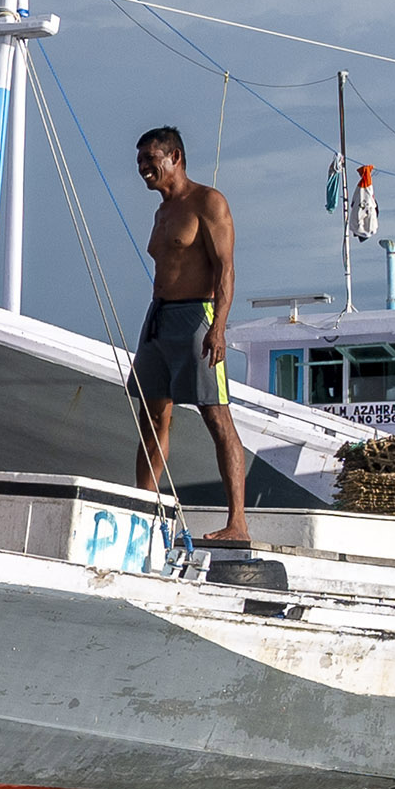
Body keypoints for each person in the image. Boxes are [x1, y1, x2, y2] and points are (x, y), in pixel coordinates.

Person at [131, 126, 253, 545]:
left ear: (176, 157)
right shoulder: (162, 212)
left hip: (197, 317)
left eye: (151, 159)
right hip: (158, 318)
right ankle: (144, 509)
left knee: (216, 416)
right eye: (140, 161)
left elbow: (226, 268)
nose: (144, 167)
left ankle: (237, 522)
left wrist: (219, 326)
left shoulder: (208, 202)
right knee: (152, 416)